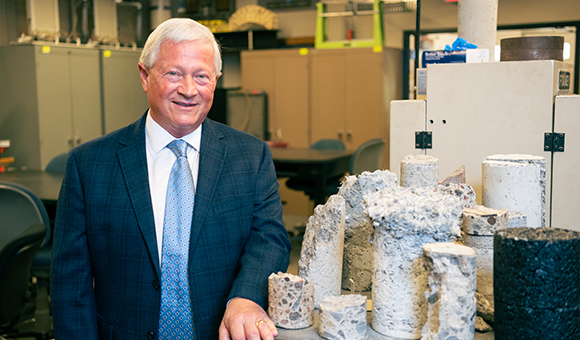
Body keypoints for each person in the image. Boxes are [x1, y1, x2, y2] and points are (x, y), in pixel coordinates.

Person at [50, 18, 292, 340]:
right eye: (174, 73)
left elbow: (270, 238)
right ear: (144, 76)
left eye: (201, 76)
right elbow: (70, 284)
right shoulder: (89, 165)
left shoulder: (250, 156)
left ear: (216, 80)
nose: (189, 90)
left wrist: (246, 297)